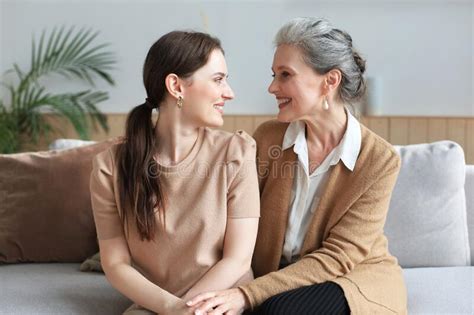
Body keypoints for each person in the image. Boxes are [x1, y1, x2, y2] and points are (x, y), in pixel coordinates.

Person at [187, 18, 407, 315]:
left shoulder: (379, 160)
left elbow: (338, 257)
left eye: (285, 75)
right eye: (274, 74)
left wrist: (246, 295)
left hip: (349, 278)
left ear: (329, 81)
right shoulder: (267, 138)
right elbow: (226, 212)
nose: (272, 87)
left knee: (277, 311)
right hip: (275, 280)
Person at [89, 31, 260, 315]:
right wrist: (172, 308)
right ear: (176, 86)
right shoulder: (110, 167)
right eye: (218, 79)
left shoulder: (237, 152)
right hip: (158, 305)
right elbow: (115, 263)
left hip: (221, 301)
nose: (229, 93)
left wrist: (189, 310)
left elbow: (238, 260)